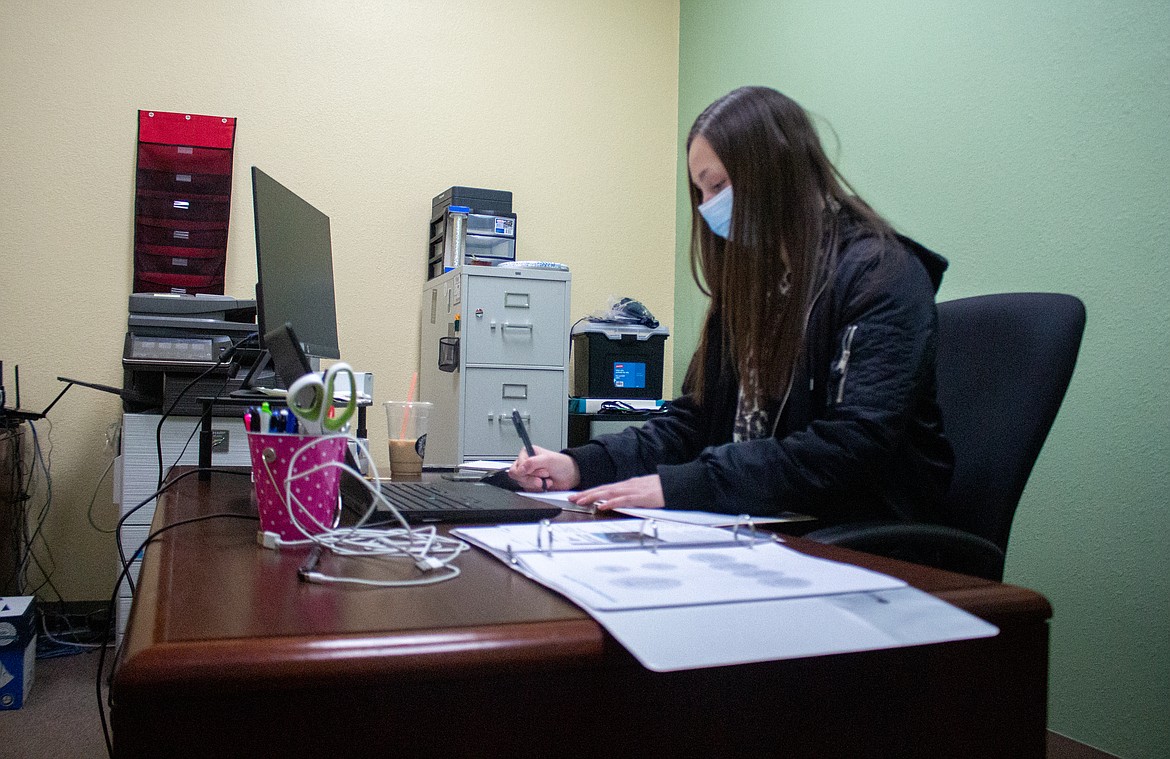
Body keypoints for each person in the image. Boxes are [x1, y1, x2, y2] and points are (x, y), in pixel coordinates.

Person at [510, 86, 954, 525]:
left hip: (862, 540)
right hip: (768, 525)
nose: (708, 207)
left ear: (776, 170)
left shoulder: (881, 275)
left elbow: (850, 446)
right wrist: (580, 466)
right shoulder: (754, 288)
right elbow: (696, 422)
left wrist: (681, 486)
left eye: (718, 186)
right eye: (701, 192)